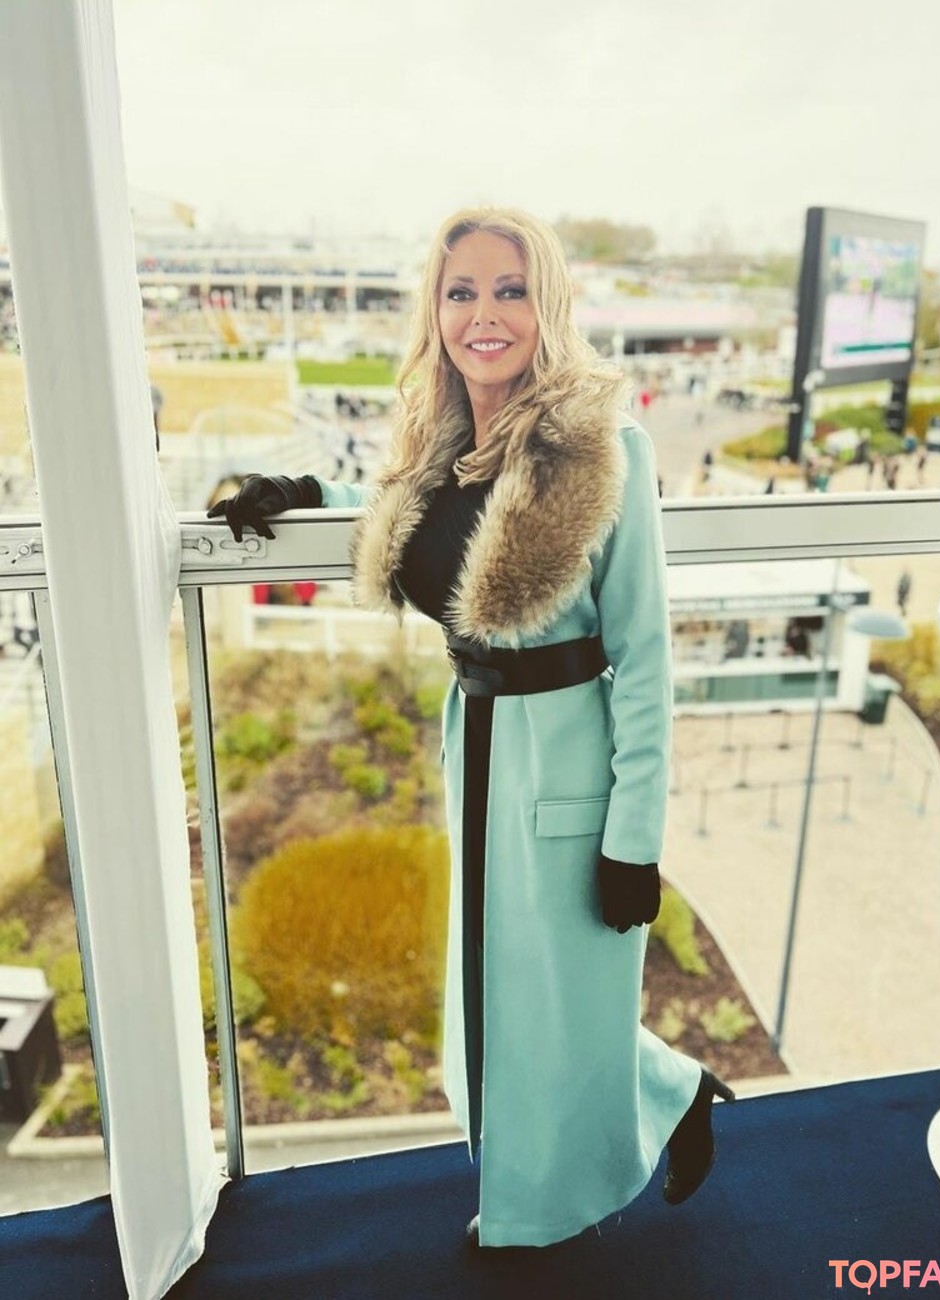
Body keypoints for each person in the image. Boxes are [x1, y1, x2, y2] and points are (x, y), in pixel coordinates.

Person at [208, 207, 733, 1251]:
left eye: (509, 289)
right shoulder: (443, 444)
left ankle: (535, 1218)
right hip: (481, 749)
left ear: (547, 306)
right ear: (435, 311)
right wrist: (306, 492)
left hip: (567, 764)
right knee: (503, 990)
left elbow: (645, 660)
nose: (483, 313)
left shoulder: (604, 449)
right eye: (461, 292)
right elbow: (421, 514)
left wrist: (635, 841)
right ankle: (672, 1091)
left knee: (555, 998)